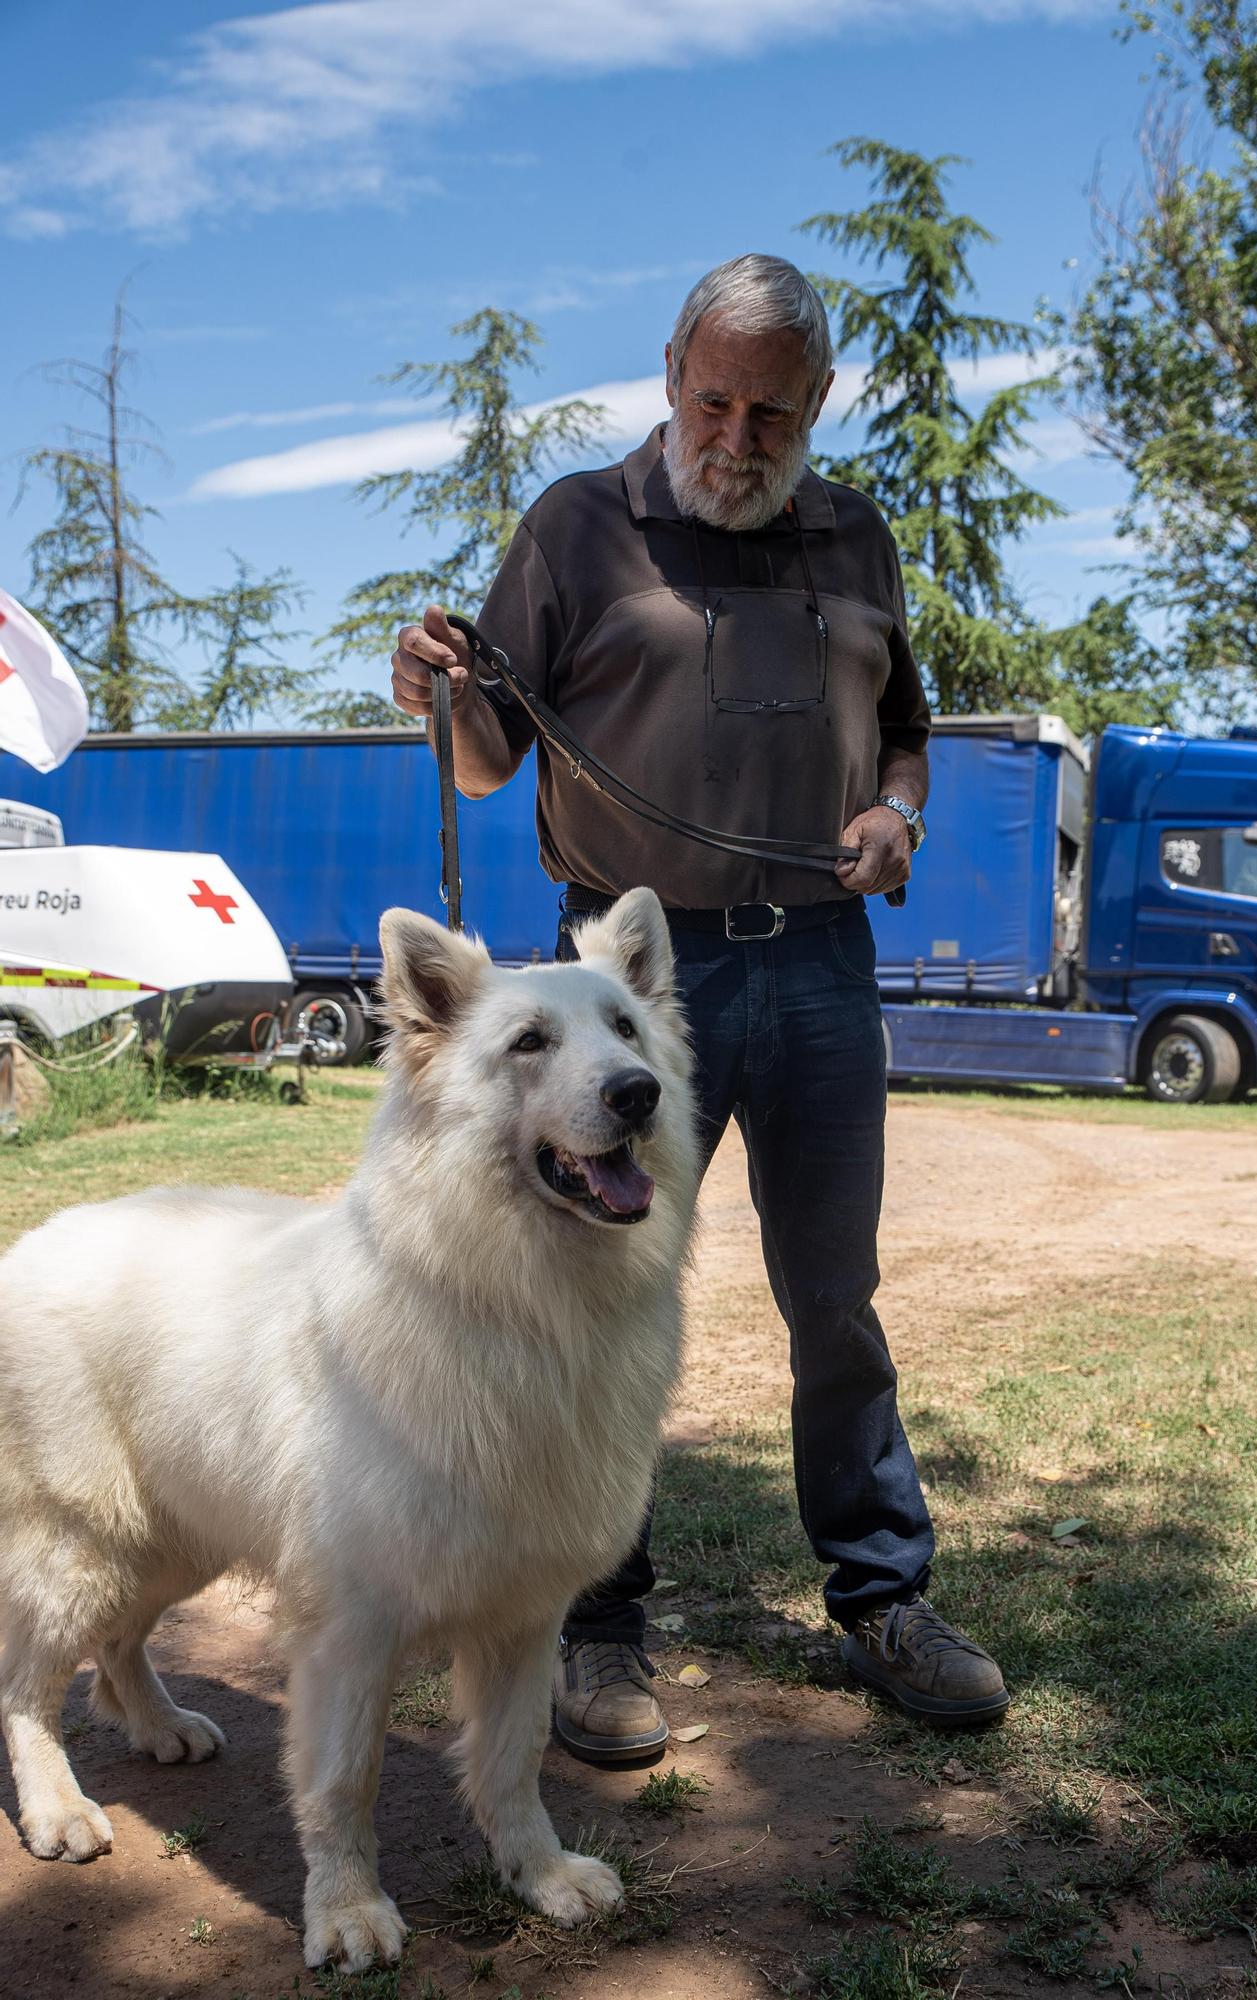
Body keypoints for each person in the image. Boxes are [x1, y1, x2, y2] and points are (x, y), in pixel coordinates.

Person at [390, 254, 1009, 1762]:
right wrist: (435, 690)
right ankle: (594, 1626)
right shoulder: (576, 527)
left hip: (822, 964)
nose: (738, 438)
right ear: (671, 373)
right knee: (600, 1294)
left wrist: (900, 814)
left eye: (773, 412)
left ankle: (884, 1598)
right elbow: (485, 761)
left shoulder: (857, 534)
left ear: (821, 401)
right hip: (632, 987)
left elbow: (907, 728)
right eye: (715, 400)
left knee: (834, 1295)